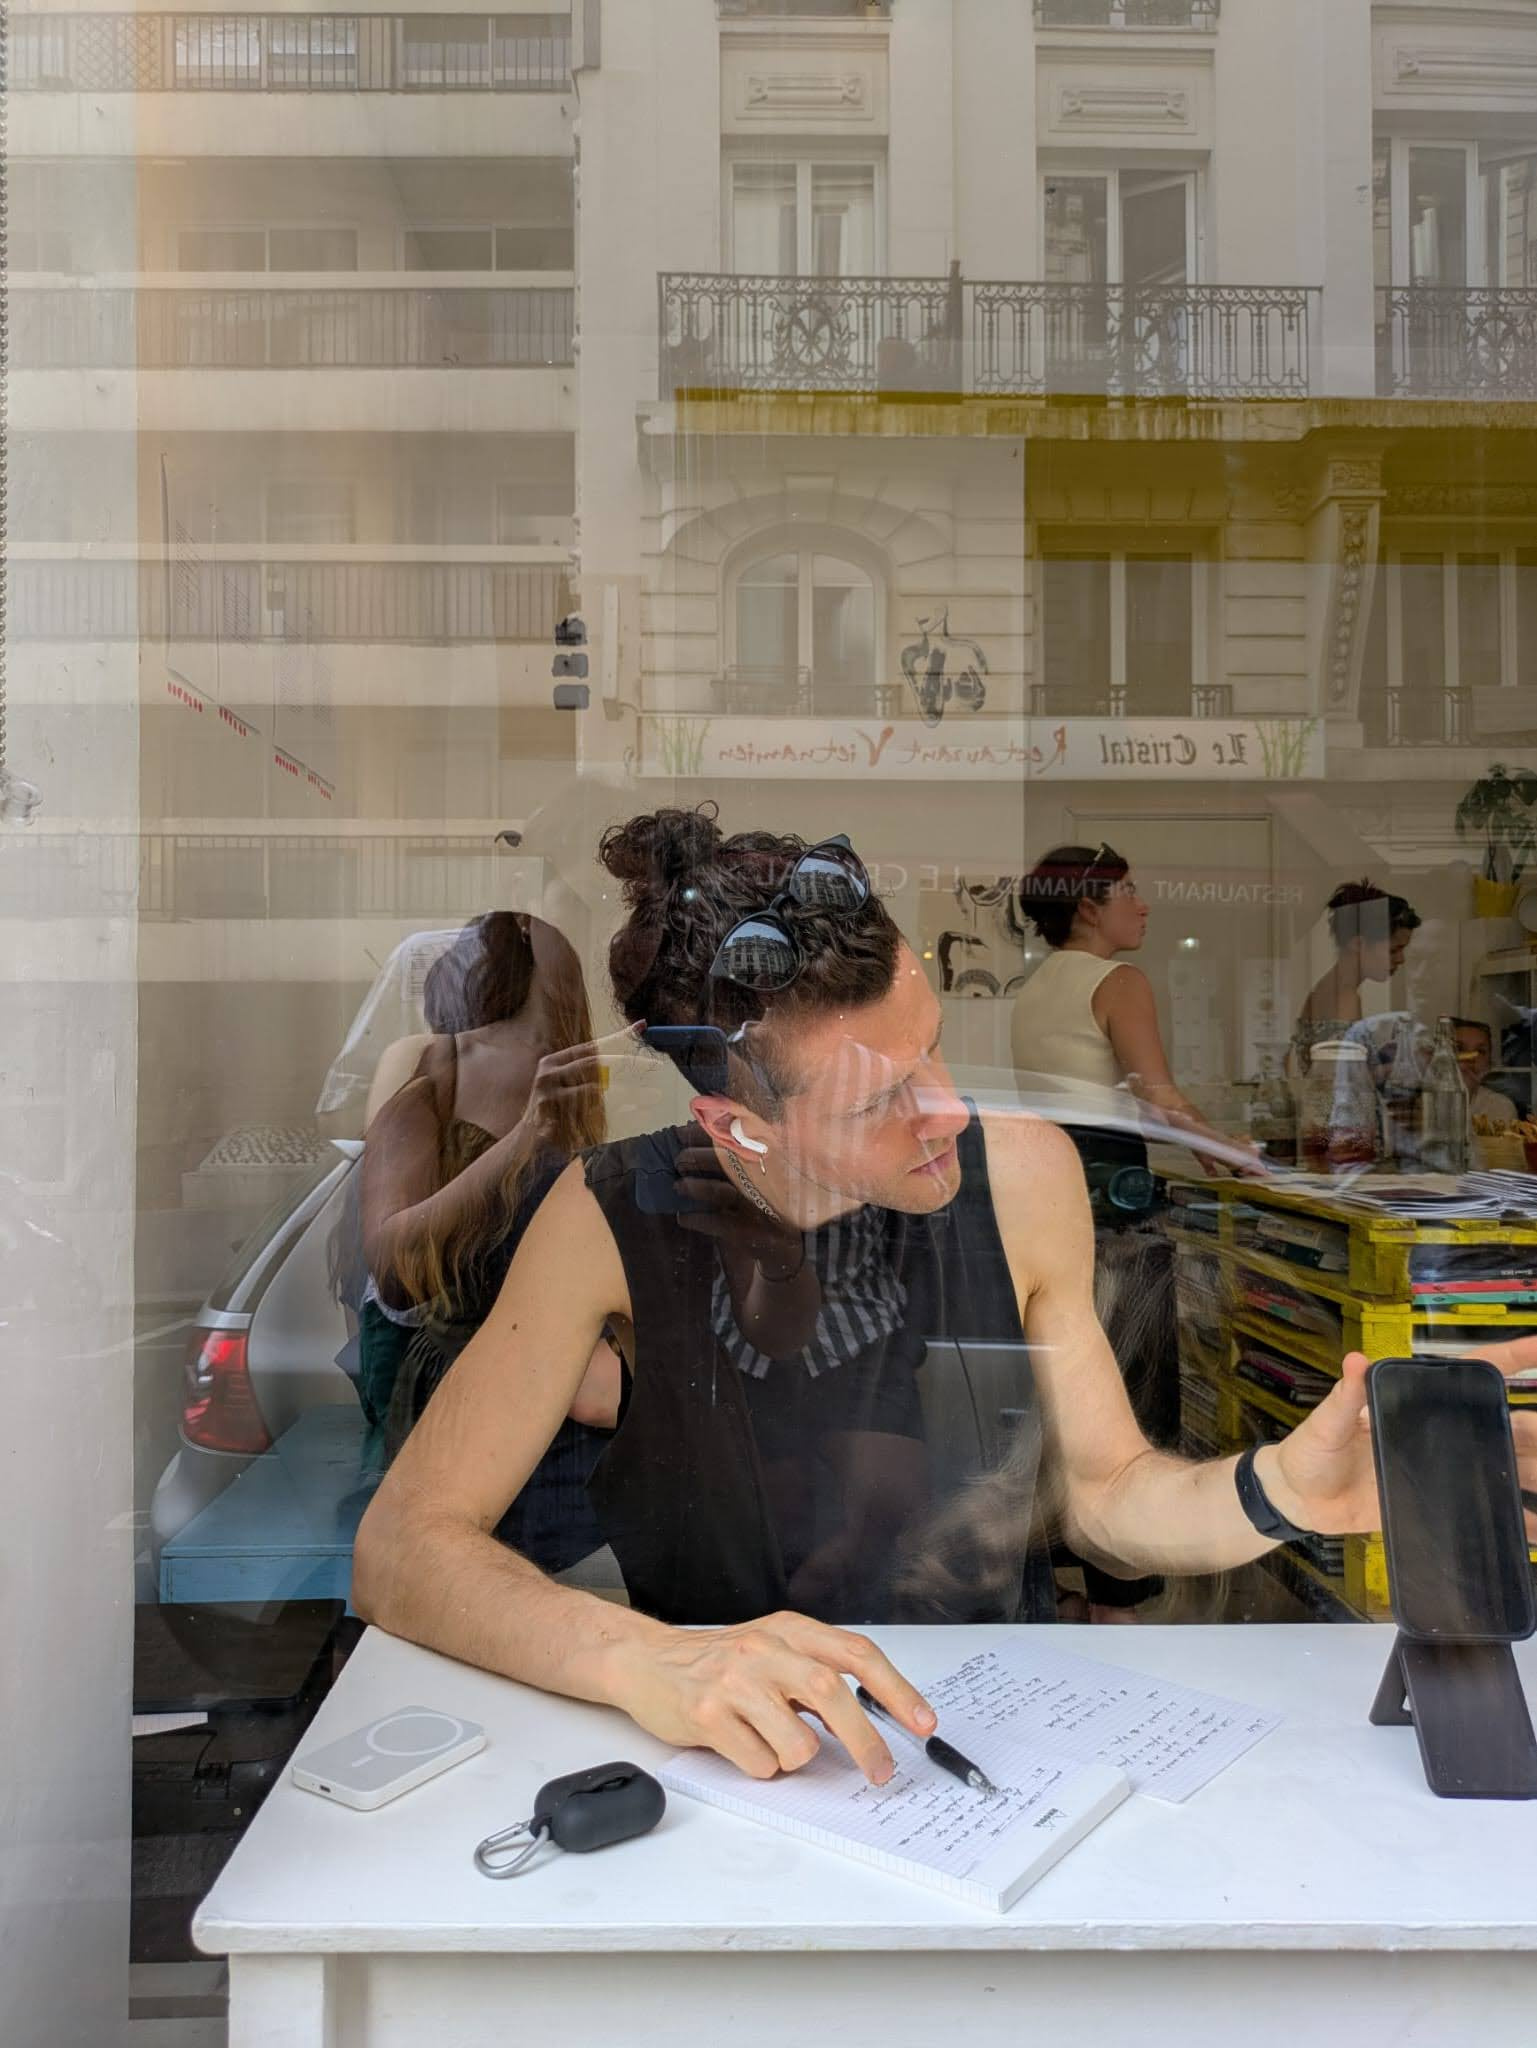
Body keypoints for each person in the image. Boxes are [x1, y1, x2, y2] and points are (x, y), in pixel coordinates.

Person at [353, 808, 1537, 1789]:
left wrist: (1278, 1488)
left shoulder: (1022, 1175)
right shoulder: (609, 1213)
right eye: (881, 1101)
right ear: (735, 1126)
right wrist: (638, 1660)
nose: (951, 1113)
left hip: (987, 1746)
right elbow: (403, 1544)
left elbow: (1111, 1494)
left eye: (933, 1051)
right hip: (726, 1757)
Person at [356, 910, 622, 1571]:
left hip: (524, 1366)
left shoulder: (572, 1087)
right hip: (447, 1370)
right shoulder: (428, 1077)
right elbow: (394, 1268)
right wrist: (526, 1135)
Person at [1010, 842, 1226, 1619]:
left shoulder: (1033, 988)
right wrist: (1239, 1160)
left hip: (1044, 1200)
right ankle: (1117, 1601)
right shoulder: (1117, 981)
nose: (1143, 904)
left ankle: (1055, 1588)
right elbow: (1159, 1100)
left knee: (1054, 1400)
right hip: (1113, 1209)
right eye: (1128, 891)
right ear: (1087, 905)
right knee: (1128, 1400)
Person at [1294, 880, 1421, 1071]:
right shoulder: (1344, 998)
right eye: (1393, 950)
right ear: (1358, 944)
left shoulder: (1330, 988)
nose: (1401, 959)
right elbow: (1338, 1080)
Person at [1453, 1018, 1518, 1129]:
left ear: (1489, 1065)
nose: (1471, 1057)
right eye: (1459, 1048)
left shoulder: (1500, 1106)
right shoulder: (1424, 1102)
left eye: (1480, 1051)